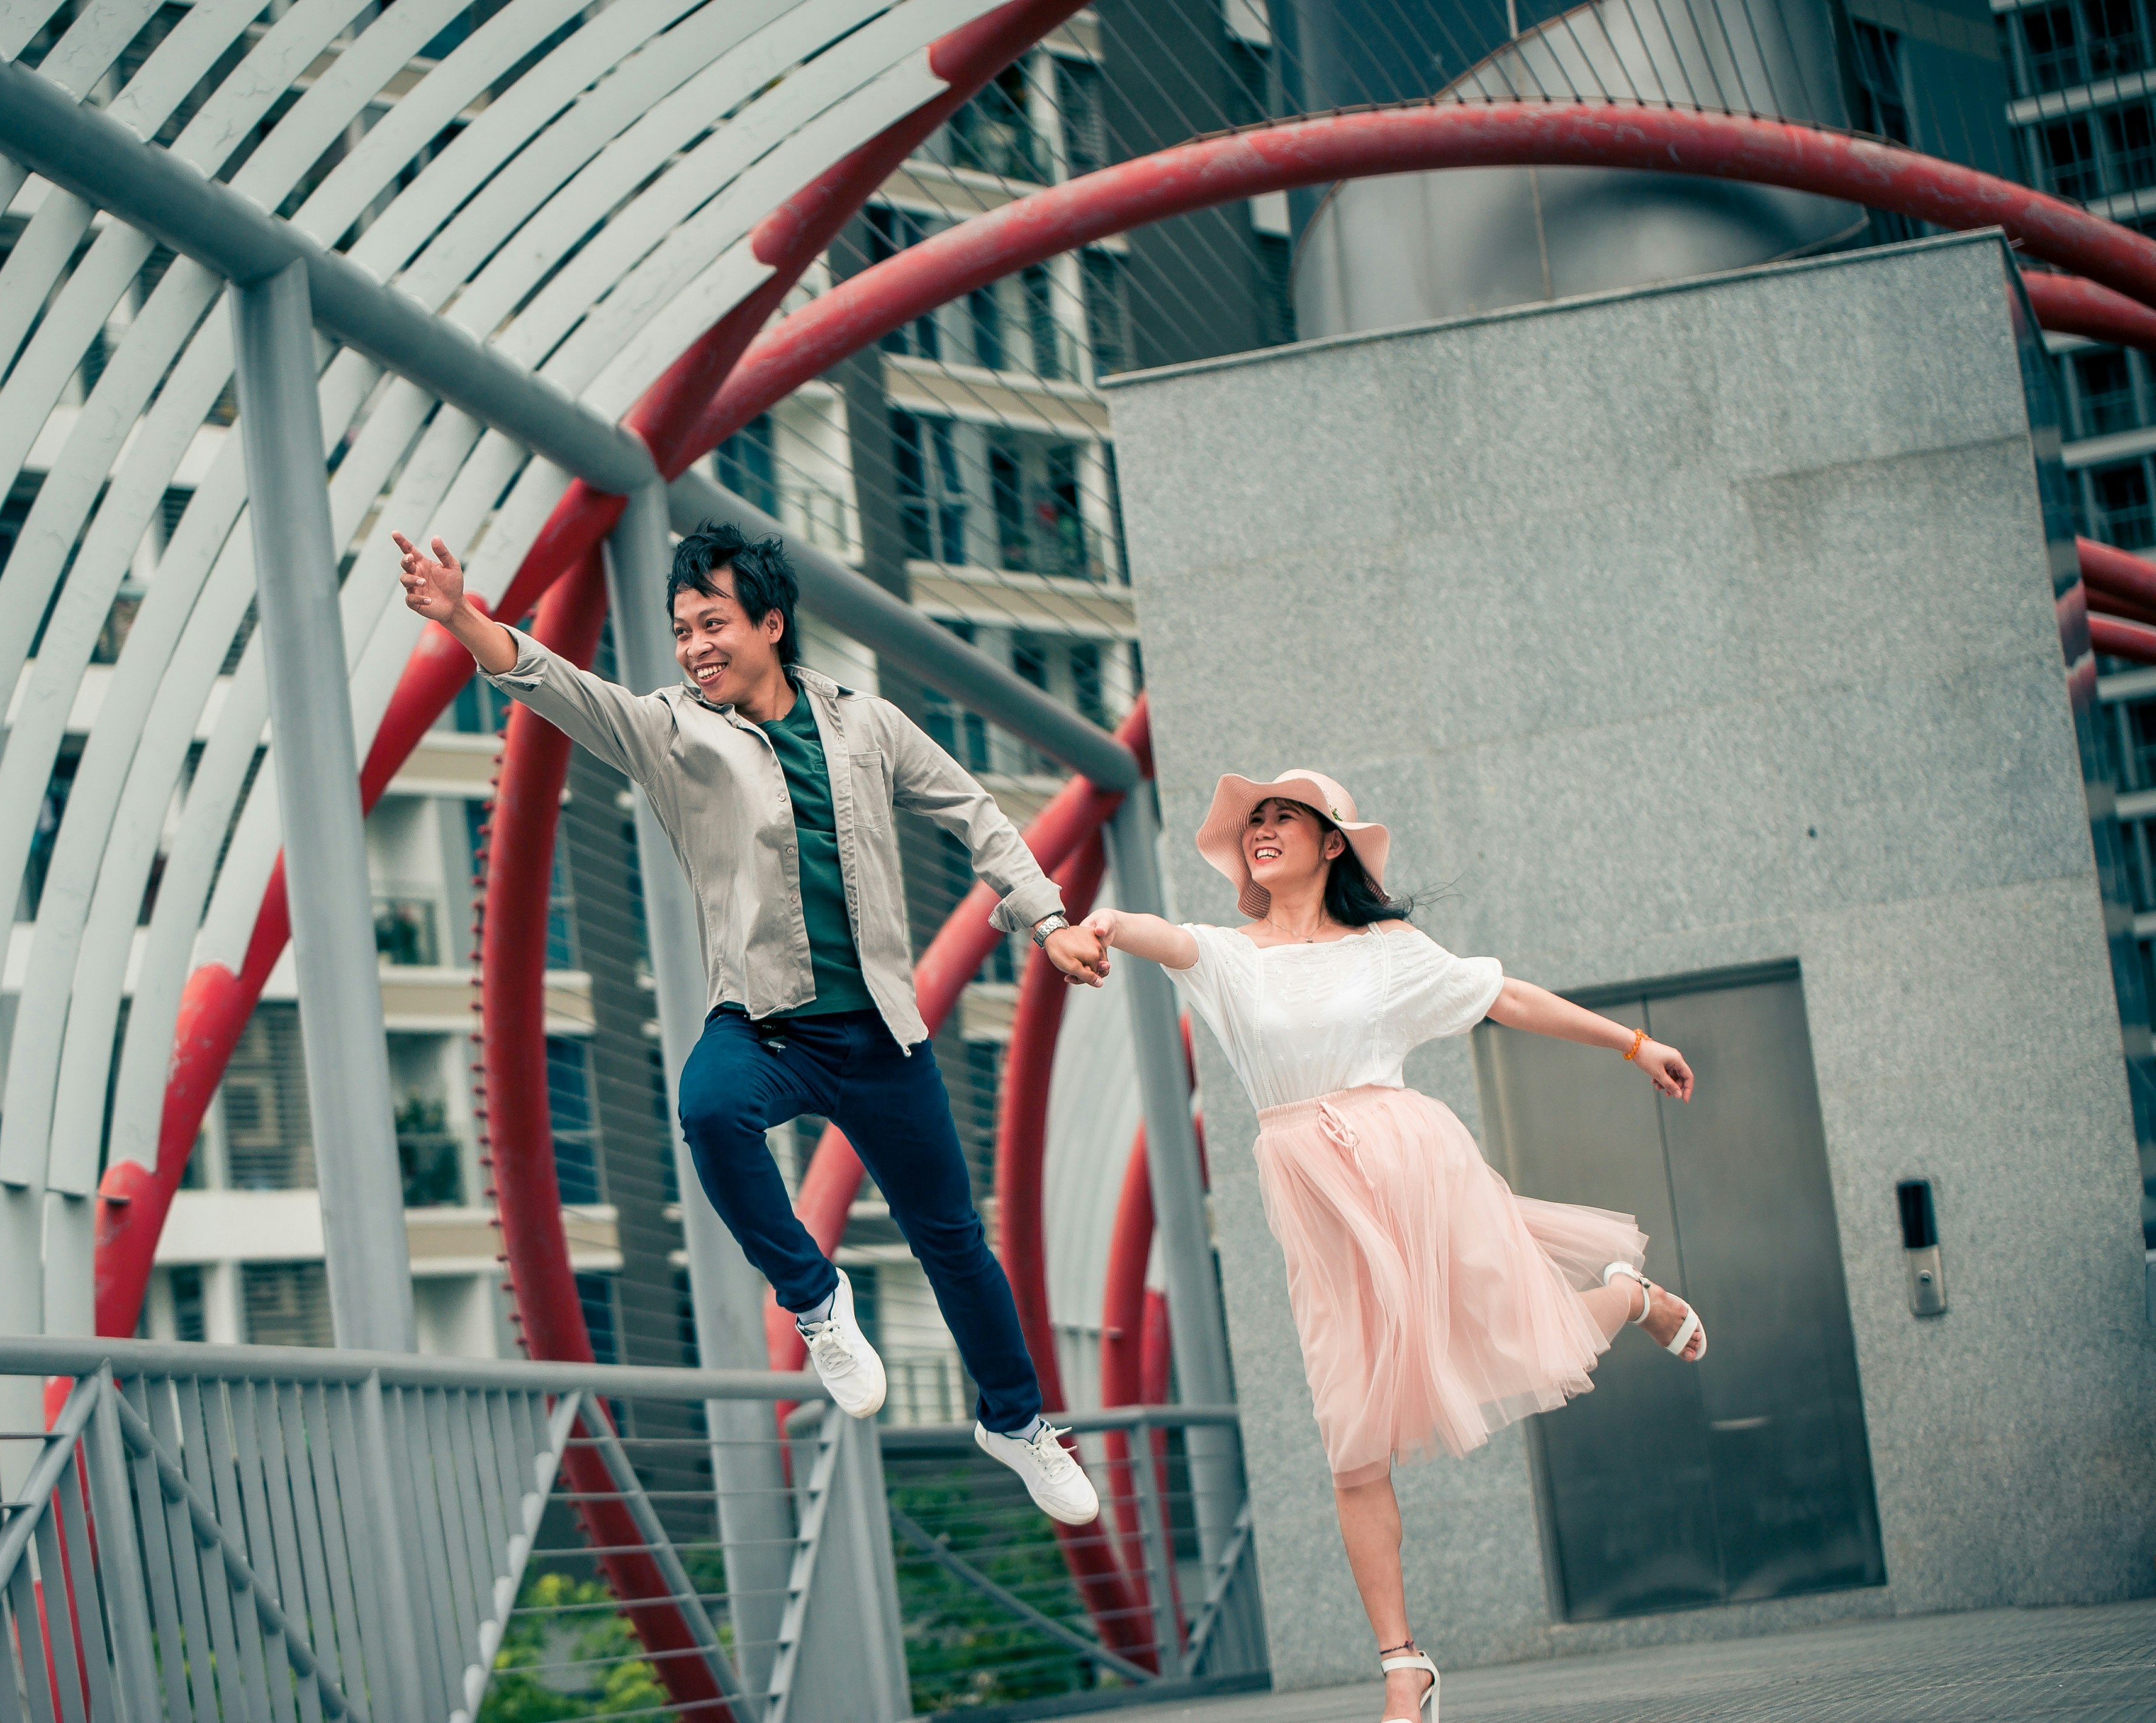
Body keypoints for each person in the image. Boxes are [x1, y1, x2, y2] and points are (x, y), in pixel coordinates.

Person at [392, 520, 1112, 1525]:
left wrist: (1046, 921)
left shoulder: (867, 725)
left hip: (880, 1036)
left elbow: (977, 814)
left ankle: (1019, 1424)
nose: (694, 648)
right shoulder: (669, 730)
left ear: (772, 623)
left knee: (954, 1241)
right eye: (682, 629)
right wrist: (465, 617)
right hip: (766, 1024)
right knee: (711, 1108)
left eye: (714, 624)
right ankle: (816, 1304)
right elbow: (558, 684)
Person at [1079, 769, 1709, 1723]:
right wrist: (1099, 926)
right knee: (1353, 1441)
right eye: (1252, 818)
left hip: (1412, 1160)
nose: (1261, 827)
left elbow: (1508, 997)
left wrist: (1630, 1043)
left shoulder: (1389, 951)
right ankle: (1403, 1666)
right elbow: (1148, 930)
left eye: (1282, 814)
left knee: (1525, 1343)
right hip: (1314, 1198)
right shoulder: (1225, 956)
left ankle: (1627, 1296)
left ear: (1332, 841)